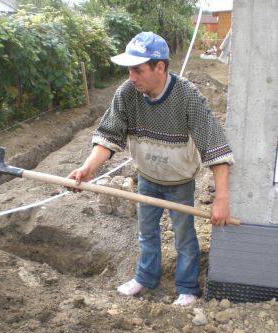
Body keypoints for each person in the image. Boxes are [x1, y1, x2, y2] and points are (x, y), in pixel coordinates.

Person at [67, 32, 234, 306]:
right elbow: (109, 136)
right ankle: (145, 278)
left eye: (138, 69)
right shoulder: (127, 94)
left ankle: (188, 288)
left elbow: (214, 146)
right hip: (147, 177)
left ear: (160, 67)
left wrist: (222, 199)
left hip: (180, 180)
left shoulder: (187, 97)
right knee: (147, 232)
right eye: (129, 69)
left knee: (183, 236)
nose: (131, 76)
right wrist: (87, 169)